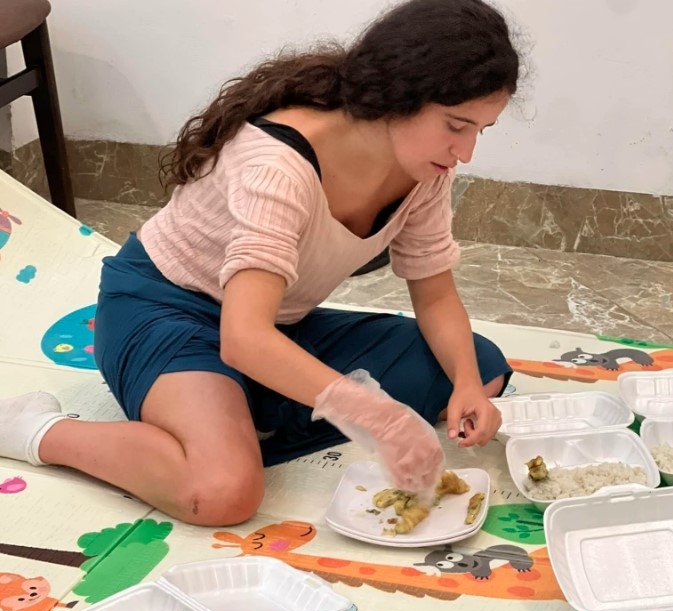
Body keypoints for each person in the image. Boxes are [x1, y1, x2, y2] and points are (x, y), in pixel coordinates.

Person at [0, 0, 520, 527]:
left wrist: (466, 387)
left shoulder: (425, 168)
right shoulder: (277, 165)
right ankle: (37, 429)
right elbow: (242, 339)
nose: (466, 151)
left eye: (481, 129)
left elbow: (434, 294)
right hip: (165, 311)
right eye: (456, 126)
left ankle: (239, 413)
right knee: (225, 492)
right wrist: (370, 412)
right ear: (399, 96)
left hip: (272, 323)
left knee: (479, 366)